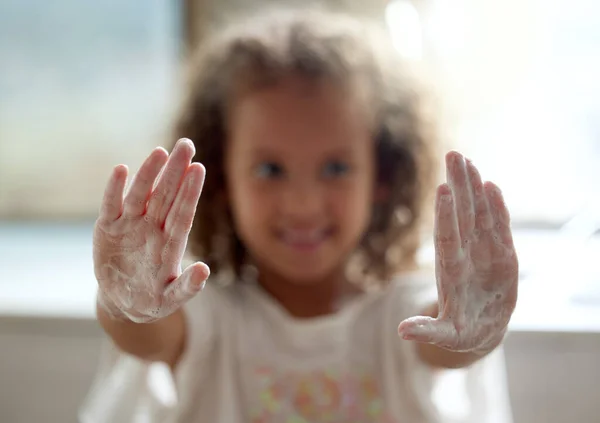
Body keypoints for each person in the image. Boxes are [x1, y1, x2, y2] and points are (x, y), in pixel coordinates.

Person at [80, 7, 518, 423]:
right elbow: (145, 334)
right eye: (270, 170)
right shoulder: (209, 317)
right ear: (221, 182)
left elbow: (448, 342)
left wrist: (474, 329)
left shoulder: (403, 315)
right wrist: (124, 305)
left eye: (335, 168)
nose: (303, 204)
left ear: (382, 177)